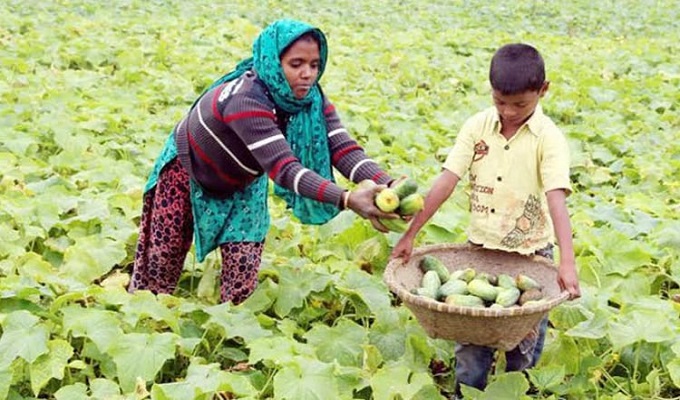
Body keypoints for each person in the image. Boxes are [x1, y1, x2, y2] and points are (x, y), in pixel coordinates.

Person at [128, 19, 400, 305]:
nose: (307, 74)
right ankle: (146, 316)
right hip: (189, 169)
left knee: (243, 264)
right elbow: (285, 169)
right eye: (296, 64)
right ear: (274, 60)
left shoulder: (311, 98)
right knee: (162, 258)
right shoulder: (245, 99)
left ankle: (232, 328)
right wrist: (345, 198)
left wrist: (388, 183)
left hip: (244, 179)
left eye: (314, 65)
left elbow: (341, 147)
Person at [389, 43, 581, 397]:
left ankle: (519, 389)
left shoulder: (549, 139)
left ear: (543, 90)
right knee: (472, 339)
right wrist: (411, 234)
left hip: (531, 255)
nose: (508, 111)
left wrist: (567, 262)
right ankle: (466, 391)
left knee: (523, 344)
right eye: (499, 101)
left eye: (520, 104)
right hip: (480, 251)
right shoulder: (477, 126)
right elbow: (446, 181)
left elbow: (556, 199)